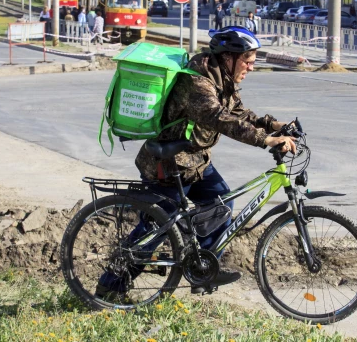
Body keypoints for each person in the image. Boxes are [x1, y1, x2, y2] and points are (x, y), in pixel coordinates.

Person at [96, 26, 296, 299]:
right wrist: (265, 140)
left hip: (194, 162)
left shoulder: (219, 78)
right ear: (229, 57)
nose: (250, 67)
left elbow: (237, 112)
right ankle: (110, 286)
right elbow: (219, 118)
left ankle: (201, 268)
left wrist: (274, 125)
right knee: (155, 228)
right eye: (247, 61)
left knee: (222, 201)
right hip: (168, 164)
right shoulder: (197, 81)